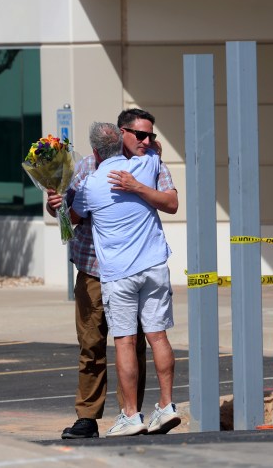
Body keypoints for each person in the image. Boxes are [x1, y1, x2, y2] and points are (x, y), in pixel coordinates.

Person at [46, 108, 178, 440]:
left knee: (132, 345)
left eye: (152, 136)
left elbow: (172, 201)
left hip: (126, 270)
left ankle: (132, 414)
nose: (148, 142)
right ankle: (88, 417)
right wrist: (55, 204)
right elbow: (68, 216)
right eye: (142, 136)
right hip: (93, 269)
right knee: (92, 345)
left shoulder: (149, 163)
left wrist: (135, 186)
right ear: (122, 134)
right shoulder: (86, 169)